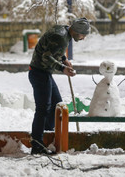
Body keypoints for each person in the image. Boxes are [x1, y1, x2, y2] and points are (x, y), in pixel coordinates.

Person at [28, 18, 90, 155]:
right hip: (39, 73)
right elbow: (46, 57)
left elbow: (53, 49)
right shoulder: (61, 37)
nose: (83, 38)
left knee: (56, 105)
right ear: (77, 31)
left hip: (44, 73)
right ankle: (37, 144)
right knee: (43, 109)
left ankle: (47, 137)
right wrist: (63, 68)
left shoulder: (63, 31)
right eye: (83, 35)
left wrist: (64, 59)